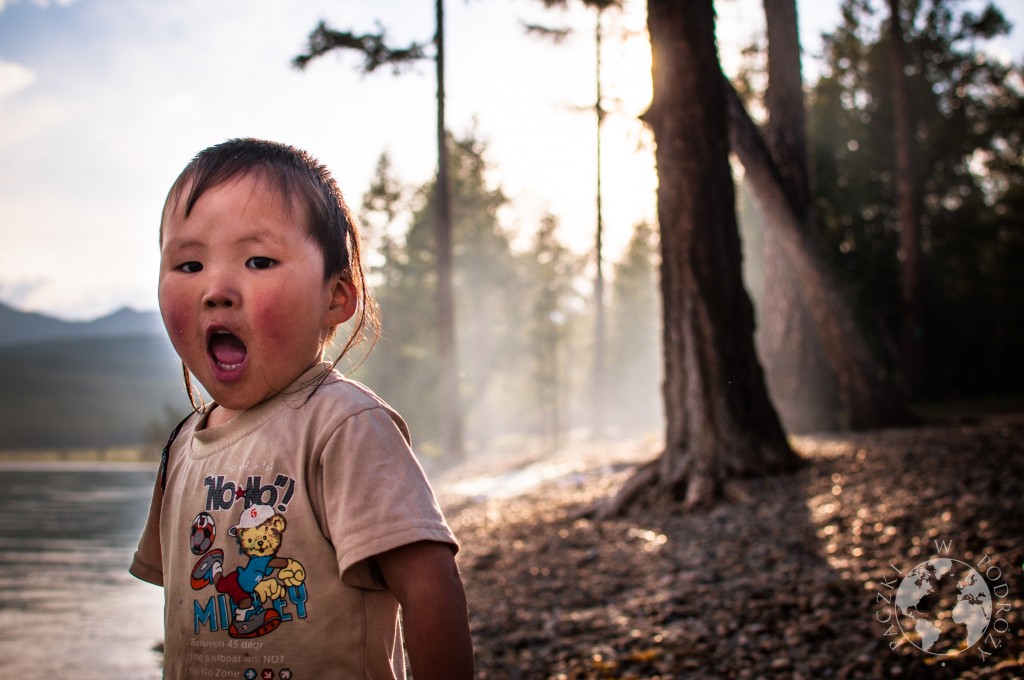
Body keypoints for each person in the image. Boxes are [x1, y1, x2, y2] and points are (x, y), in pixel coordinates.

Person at [130, 137, 474, 679]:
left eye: (259, 260)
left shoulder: (343, 426)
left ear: (336, 297)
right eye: (189, 263)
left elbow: (430, 585)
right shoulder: (182, 448)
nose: (216, 289)